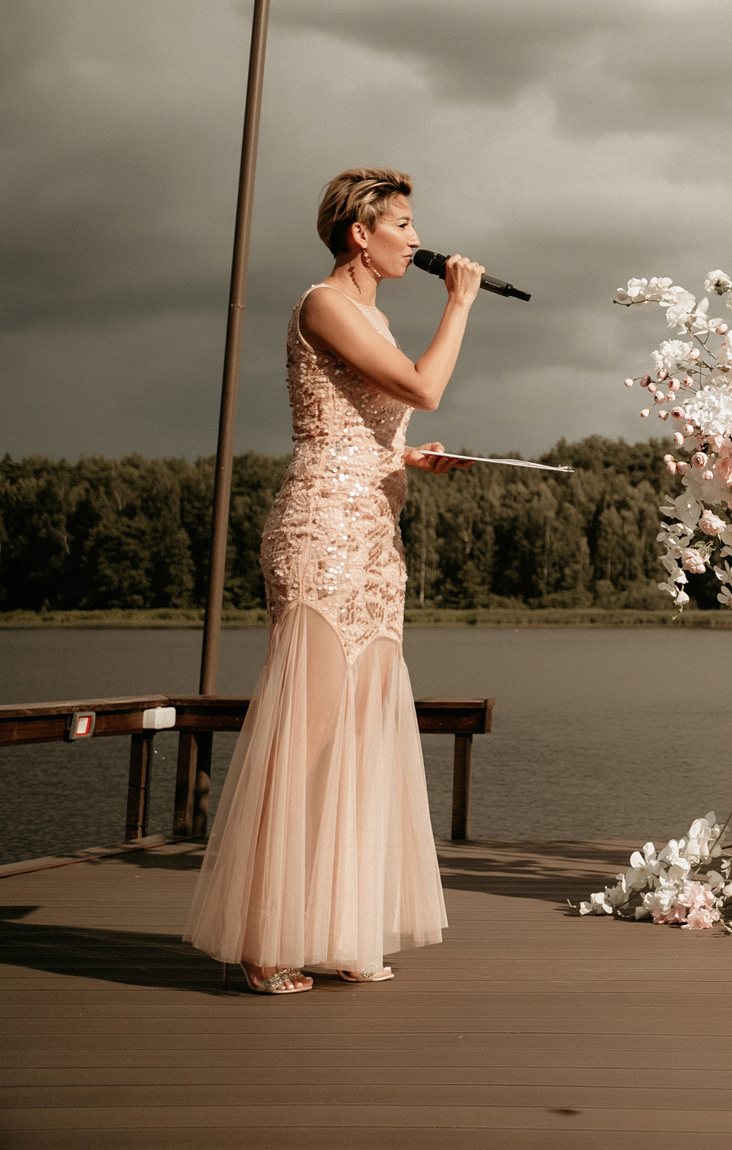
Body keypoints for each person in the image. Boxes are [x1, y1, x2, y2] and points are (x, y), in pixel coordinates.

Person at [184, 168, 483, 994]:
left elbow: (373, 423)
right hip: (319, 533)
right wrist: (459, 303)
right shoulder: (323, 304)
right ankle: (264, 937)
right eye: (406, 224)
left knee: (362, 732)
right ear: (362, 232)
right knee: (308, 737)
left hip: (374, 535)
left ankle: (338, 926)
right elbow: (422, 384)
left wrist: (411, 456)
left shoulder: (376, 316)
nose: (420, 241)